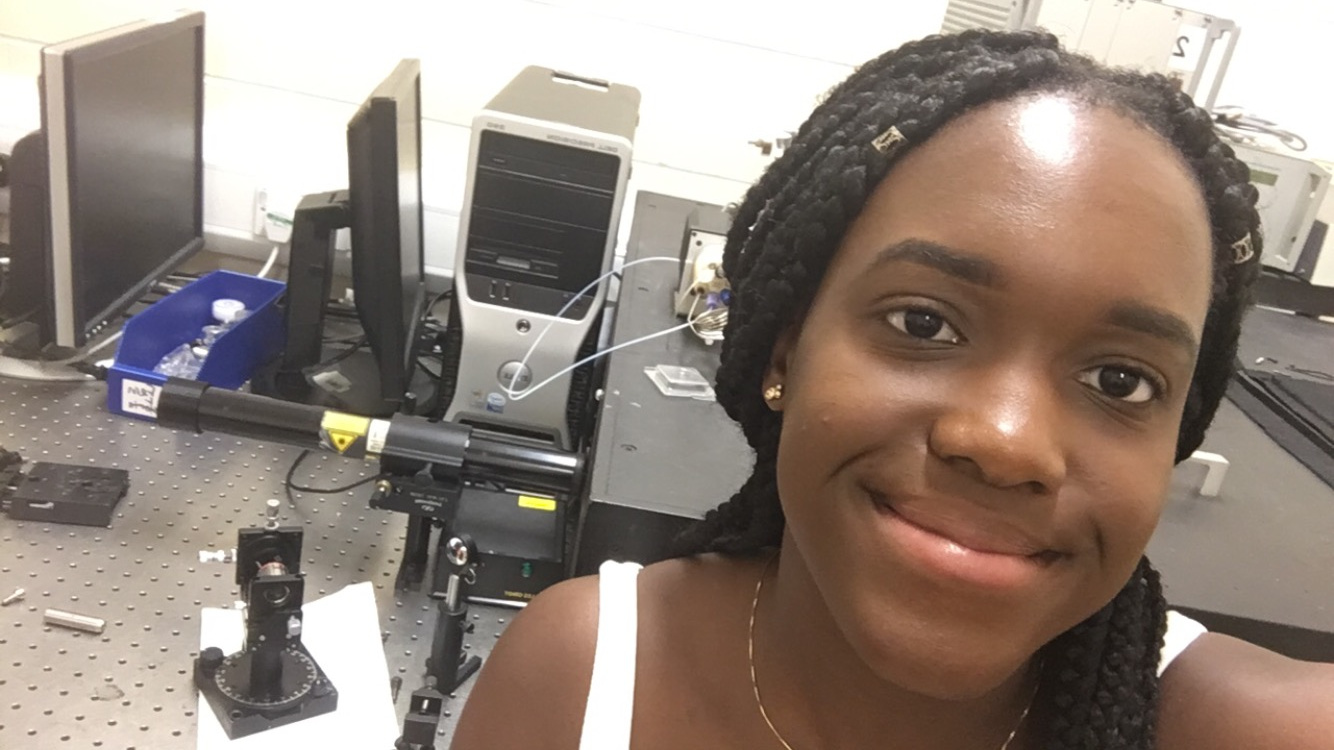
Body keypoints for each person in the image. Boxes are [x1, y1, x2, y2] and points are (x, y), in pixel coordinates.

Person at [450, 29, 1334, 750]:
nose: (1007, 439)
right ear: (783, 352)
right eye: (924, 324)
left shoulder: (1258, 730)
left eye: (1120, 379)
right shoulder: (581, 683)